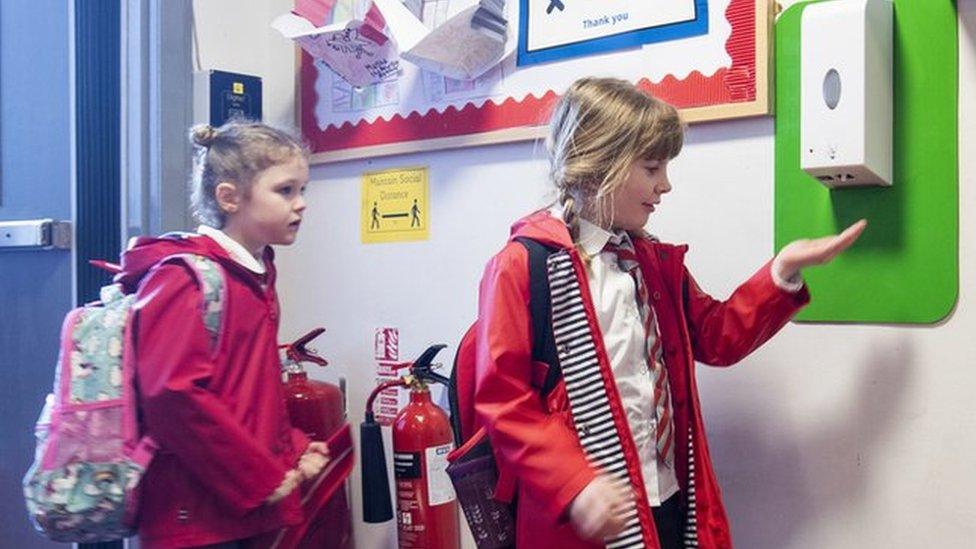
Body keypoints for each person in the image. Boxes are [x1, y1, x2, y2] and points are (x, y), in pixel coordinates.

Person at [473, 77, 866, 549]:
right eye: (652, 167)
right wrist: (575, 484)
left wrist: (783, 269)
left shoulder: (653, 263)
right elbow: (504, 401)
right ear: (600, 164)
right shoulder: (521, 265)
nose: (666, 185)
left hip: (668, 501)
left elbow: (717, 336)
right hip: (582, 518)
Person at [116, 121, 330, 548]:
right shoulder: (185, 279)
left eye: (302, 190)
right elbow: (173, 395)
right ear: (229, 197)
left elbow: (250, 393)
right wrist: (258, 474)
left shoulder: (255, 274)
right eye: (285, 191)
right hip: (192, 517)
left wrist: (292, 447)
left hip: (240, 508)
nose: (301, 204)